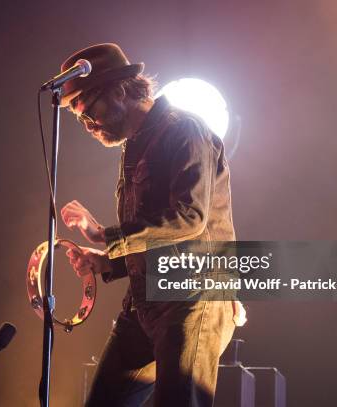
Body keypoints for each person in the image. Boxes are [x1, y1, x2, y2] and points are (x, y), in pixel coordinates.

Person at [58, 43, 239, 407]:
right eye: (79, 118)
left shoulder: (185, 129)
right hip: (145, 303)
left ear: (121, 91)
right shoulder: (135, 146)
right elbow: (157, 239)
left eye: (88, 111)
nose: (88, 125)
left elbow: (190, 218)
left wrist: (107, 236)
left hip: (192, 298)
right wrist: (107, 261)